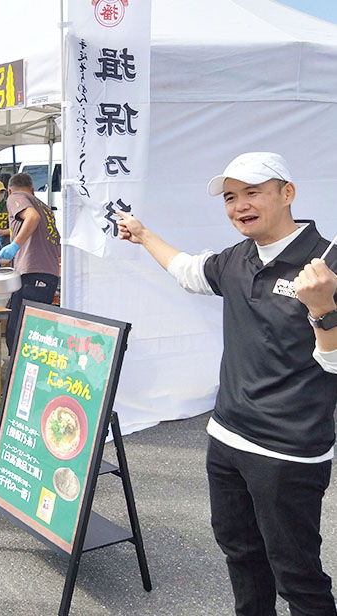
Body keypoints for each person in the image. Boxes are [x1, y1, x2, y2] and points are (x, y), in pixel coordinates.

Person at [117, 152, 337, 616]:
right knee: (240, 554)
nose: (240, 206)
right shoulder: (238, 258)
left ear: (287, 194)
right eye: (231, 197)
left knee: (297, 576)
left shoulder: (327, 264)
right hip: (227, 438)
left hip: (288, 452)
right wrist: (142, 235)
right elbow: (188, 272)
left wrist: (323, 310)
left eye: (253, 192)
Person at [0, 172, 61, 354]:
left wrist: (15, 245)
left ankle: (18, 376)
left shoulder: (16, 198)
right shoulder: (46, 208)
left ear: (9, 191)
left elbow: (32, 217)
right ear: (33, 189)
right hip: (49, 275)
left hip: (33, 273)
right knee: (40, 331)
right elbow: (56, 244)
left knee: (19, 331)